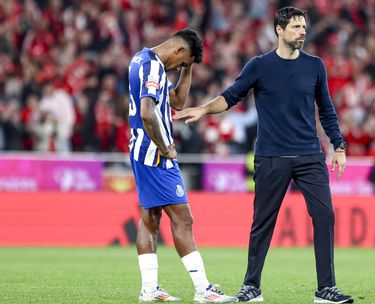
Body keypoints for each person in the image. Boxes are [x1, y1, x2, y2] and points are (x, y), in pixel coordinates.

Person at [175, 7, 354, 304]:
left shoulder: (316, 66)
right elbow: (232, 96)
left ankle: (326, 290)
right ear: (279, 31)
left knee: (324, 216)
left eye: (304, 26)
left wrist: (339, 146)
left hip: (310, 155)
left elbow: (327, 110)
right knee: (263, 223)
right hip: (271, 156)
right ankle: (252, 287)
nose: (303, 31)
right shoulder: (259, 65)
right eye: (296, 26)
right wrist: (204, 108)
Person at [127, 29, 237, 303]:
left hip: (141, 150)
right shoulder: (153, 66)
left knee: (150, 218)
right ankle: (203, 290)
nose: (179, 67)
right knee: (183, 218)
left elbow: (175, 101)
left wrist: (187, 71)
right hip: (155, 153)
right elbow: (146, 111)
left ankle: (149, 289)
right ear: (178, 50)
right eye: (182, 62)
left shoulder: (143, 61)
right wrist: (165, 147)